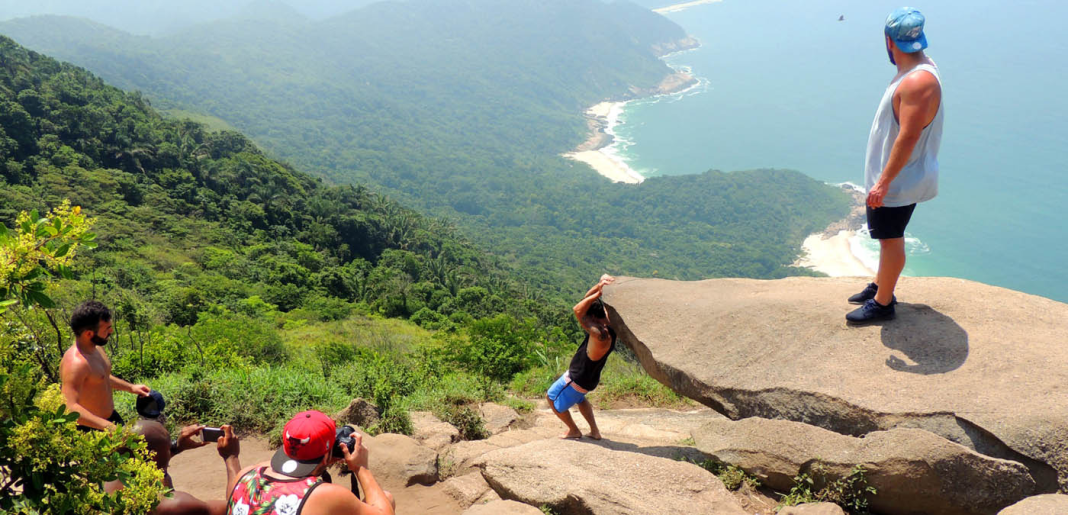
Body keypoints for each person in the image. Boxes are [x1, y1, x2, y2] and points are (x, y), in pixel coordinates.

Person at [847, 7, 944, 324]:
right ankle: (880, 285)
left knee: (891, 240)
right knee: (887, 237)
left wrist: (883, 182)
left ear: (888, 41)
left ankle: (883, 304)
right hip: (898, 177)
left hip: (899, 180)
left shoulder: (917, 82)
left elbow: (909, 136)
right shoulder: (919, 69)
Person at [225, 410, 394, 515]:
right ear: (326, 454)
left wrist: (321, 461)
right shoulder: (324, 495)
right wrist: (361, 467)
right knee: (386, 499)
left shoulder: (246, 474)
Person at [106, 421, 240, 515]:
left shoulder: (104, 480)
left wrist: (177, 447)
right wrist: (231, 456)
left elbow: (151, 462)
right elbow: (240, 508)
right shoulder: (174, 504)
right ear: (154, 457)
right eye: (169, 444)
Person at [60, 300, 150, 430]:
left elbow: (102, 377)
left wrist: (131, 388)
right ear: (89, 334)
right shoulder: (76, 364)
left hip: (111, 420)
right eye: (107, 329)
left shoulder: (96, 349)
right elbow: (69, 407)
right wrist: (108, 427)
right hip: (90, 429)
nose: (111, 331)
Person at [547, 274, 617, 440]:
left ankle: (573, 430)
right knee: (580, 398)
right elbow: (586, 301)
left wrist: (599, 293)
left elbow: (578, 310)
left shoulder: (599, 334)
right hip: (589, 379)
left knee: (551, 397)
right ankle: (594, 431)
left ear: (592, 318)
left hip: (578, 377)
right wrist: (599, 286)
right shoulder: (611, 324)